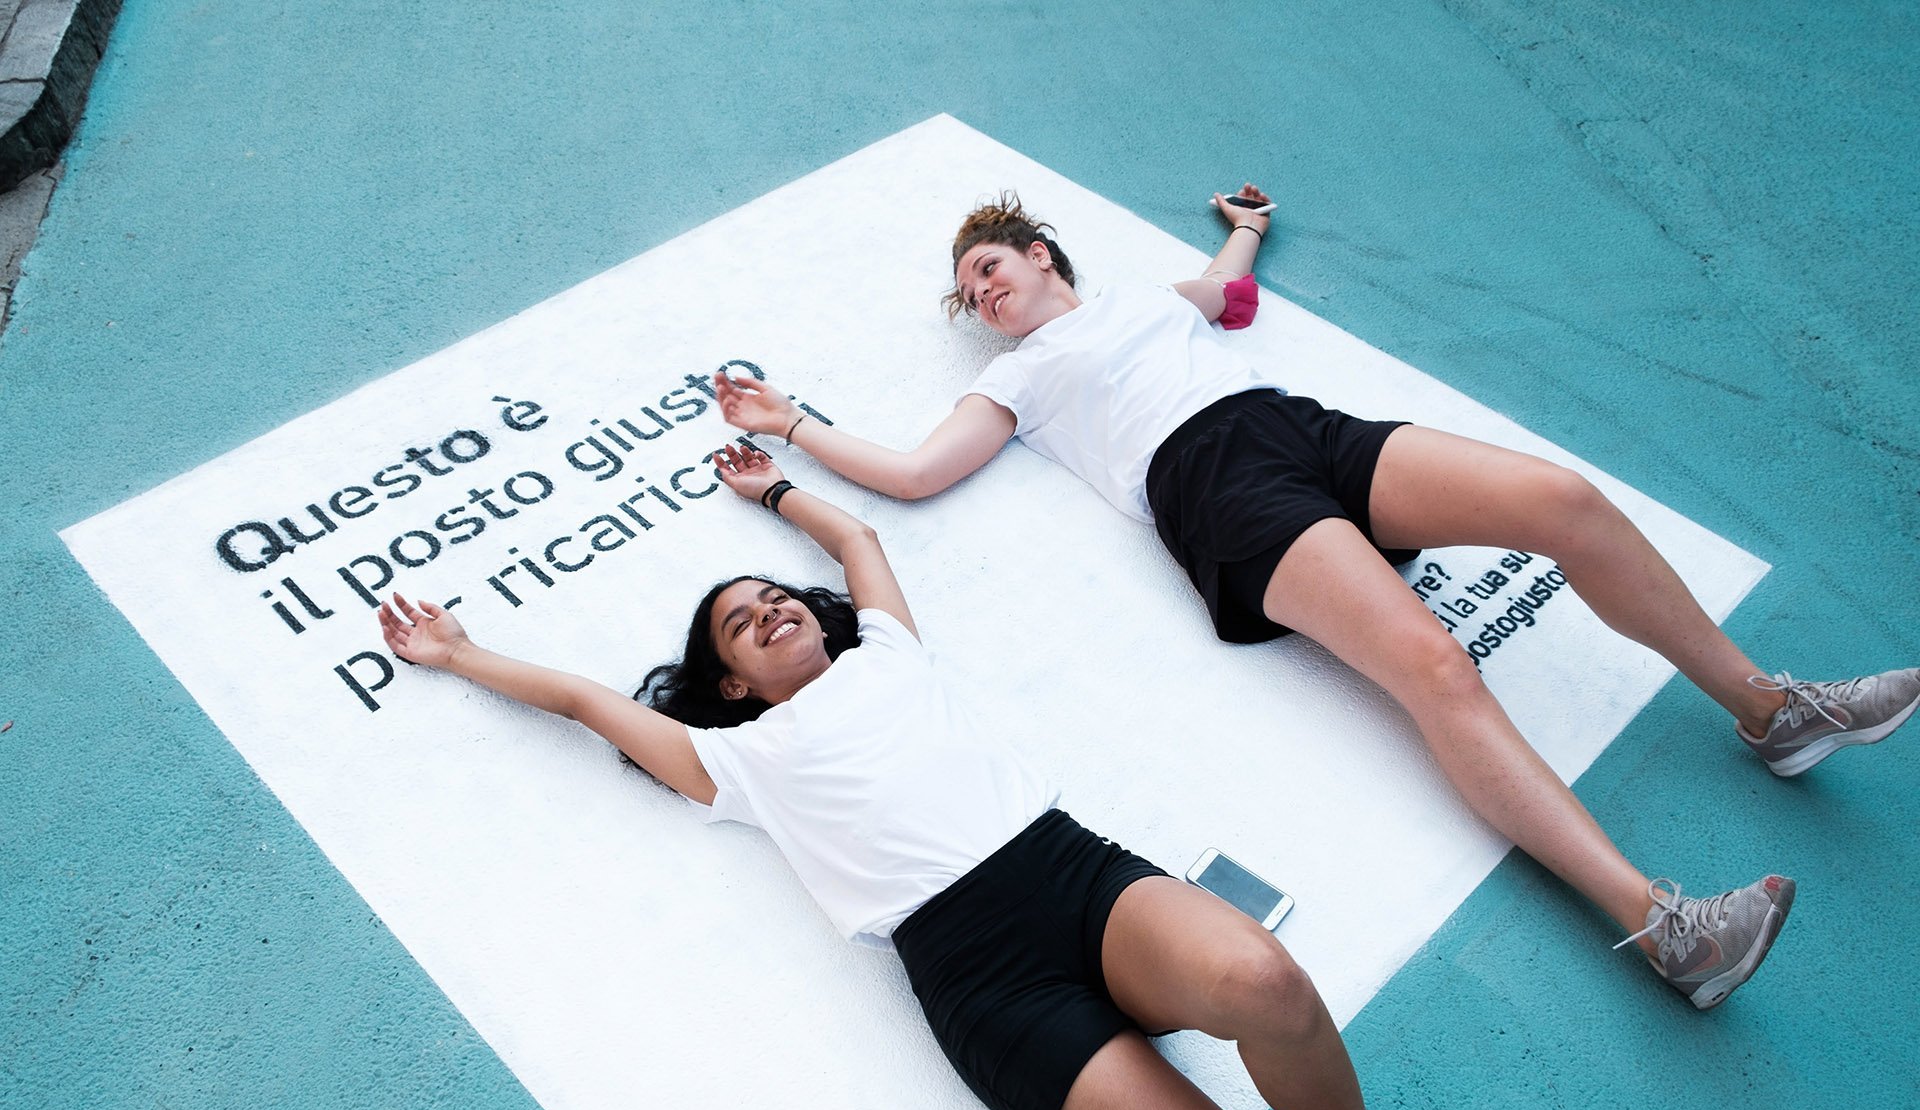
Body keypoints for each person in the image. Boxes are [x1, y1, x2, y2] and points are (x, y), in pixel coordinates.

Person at [709, 185, 1920, 1011]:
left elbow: (1224, 290)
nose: (981, 292)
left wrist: (1243, 232)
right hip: (1212, 485)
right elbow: (916, 473)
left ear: (1044, 258)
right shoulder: (1021, 377)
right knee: (1434, 667)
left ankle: (1773, 709)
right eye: (968, 292)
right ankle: (1665, 927)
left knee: (1564, 500)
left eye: (989, 266)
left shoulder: (1140, 298)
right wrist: (792, 428)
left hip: (1301, 431)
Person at [378, 444, 1463, 1110]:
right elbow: (584, 700)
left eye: (773, 596)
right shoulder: (737, 760)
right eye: (741, 626)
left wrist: (773, 489)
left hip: (1071, 876)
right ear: (734, 684)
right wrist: (460, 652)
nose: (769, 610)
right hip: (986, 981)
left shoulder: (888, 649)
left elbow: (856, 540)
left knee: (1267, 982)